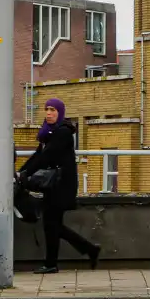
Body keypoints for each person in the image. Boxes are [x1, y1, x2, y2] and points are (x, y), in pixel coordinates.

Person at [20, 98, 100, 274]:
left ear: (60, 113)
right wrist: (21, 171)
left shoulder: (62, 133)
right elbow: (38, 155)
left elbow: (46, 157)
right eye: (47, 109)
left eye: (53, 110)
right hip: (53, 185)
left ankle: (56, 262)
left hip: (62, 185)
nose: (49, 113)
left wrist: (25, 174)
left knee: (52, 224)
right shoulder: (48, 132)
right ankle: (84, 251)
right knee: (53, 224)